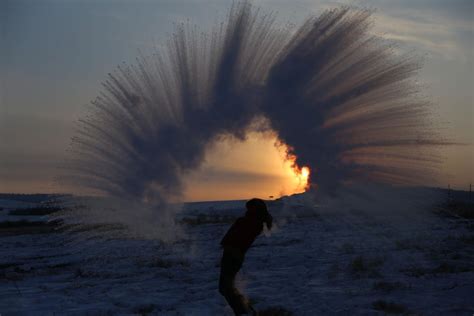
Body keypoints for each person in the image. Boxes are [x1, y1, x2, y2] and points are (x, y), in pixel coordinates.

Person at [219, 198, 273, 315]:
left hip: (233, 256)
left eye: (249, 208)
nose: (246, 210)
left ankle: (243, 311)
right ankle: (245, 309)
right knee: (227, 287)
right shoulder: (252, 222)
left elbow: (234, 239)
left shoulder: (250, 222)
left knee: (225, 288)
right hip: (233, 256)